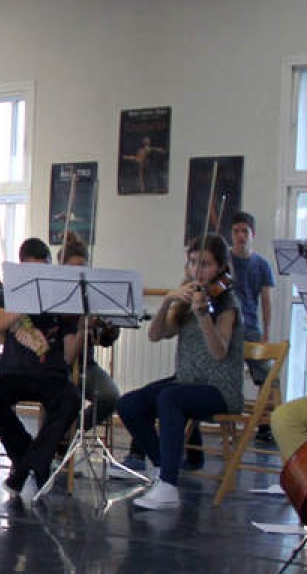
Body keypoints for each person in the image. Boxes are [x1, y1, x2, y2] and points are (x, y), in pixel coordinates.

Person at [117, 234, 245, 510]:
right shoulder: (188, 297)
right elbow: (154, 335)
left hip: (220, 389)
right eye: (193, 263)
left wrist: (203, 316)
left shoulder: (227, 302)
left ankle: (168, 485)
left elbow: (219, 352)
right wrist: (166, 302)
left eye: (206, 264)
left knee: (170, 398)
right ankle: (164, 467)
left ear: (221, 266)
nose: (198, 270)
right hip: (187, 382)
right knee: (128, 404)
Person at [0, 238, 82, 504]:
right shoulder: (10, 291)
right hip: (15, 373)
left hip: (51, 374)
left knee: (71, 398)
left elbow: (69, 355)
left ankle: (25, 467)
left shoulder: (64, 293)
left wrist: (84, 323)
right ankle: (31, 458)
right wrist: (25, 302)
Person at [55, 236, 122, 450]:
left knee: (111, 396)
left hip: (86, 366)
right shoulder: (53, 294)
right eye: (72, 268)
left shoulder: (92, 296)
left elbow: (105, 340)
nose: (77, 274)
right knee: (57, 394)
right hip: (56, 366)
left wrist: (106, 329)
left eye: (82, 268)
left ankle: (69, 432)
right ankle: (56, 438)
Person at [228, 211, 277, 441]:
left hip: (251, 329)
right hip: (228, 328)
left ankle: (265, 425)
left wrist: (266, 333)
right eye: (236, 231)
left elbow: (266, 301)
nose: (240, 236)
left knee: (268, 376)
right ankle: (227, 421)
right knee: (227, 375)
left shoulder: (262, 264)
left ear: (252, 234)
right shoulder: (225, 261)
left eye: (244, 231)